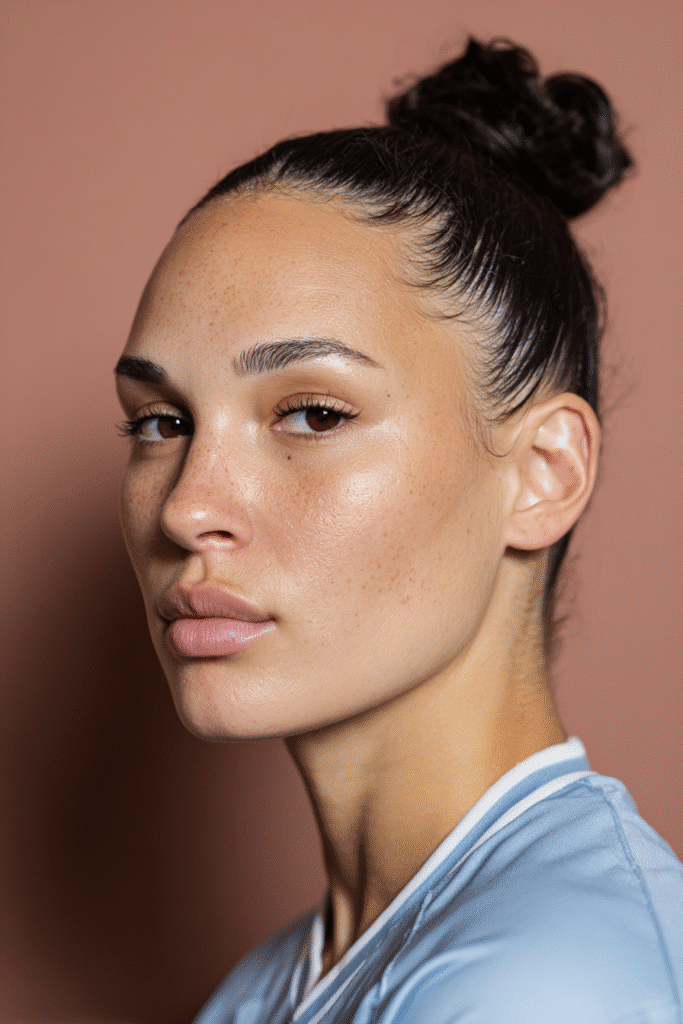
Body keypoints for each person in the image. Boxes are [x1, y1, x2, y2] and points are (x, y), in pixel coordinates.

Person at [114, 36, 682, 1024]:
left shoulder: (551, 984)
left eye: (313, 414)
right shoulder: (265, 988)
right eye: (160, 423)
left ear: (542, 474)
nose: (184, 505)